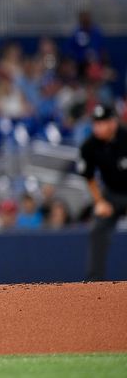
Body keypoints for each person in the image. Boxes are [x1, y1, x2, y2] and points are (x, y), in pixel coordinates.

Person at [77, 104, 127, 281]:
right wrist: (99, 202)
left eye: (102, 122)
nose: (97, 127)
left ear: (113, 123)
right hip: (111, 194)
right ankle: (95, 281)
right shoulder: (89, 145)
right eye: (95, 123)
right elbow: (89, 177)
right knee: (97, 228)